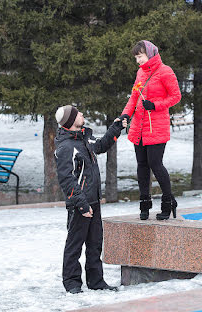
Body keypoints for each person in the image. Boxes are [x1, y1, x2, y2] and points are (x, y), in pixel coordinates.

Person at [54, 105, 127, 294]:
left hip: (93, 200)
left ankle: (96, 281)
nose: (82, 114)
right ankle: (72, 283)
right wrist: (81, 204)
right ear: (71, 122)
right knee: (75, 244)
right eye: (77, 114)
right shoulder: (66, 147)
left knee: (95, 243)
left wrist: (116, 127)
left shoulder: (84, 138)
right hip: (80, 204)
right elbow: (66, 179)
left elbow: (101, 145)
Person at [120, 40, 181, 221]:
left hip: (156, 126)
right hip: (139, 127)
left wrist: (155, 105)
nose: (137, 60)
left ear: (149, 53)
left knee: (156, 164)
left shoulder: (165, 71)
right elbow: (134, 97)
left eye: (140, 56)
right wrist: (125, 115)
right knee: (142, 166)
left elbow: (176, 96)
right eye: (136, 57)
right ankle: (145, 204)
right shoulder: (141, 72)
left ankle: (168, 202)